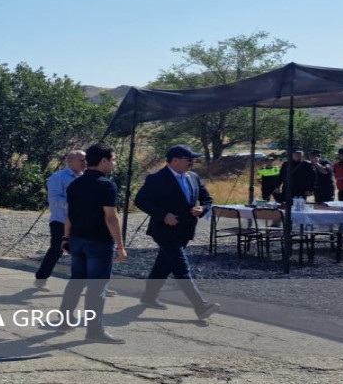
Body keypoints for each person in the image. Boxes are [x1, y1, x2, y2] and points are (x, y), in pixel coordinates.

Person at [133, 144, 220, 323]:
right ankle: (200, 306)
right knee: (181, 267)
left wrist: (202, 208)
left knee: (164, 264)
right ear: (175, 160)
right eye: (189, 160)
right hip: (164, 230)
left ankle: (148, 297)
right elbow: (141, 200)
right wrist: (163, 215)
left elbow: (207, 199)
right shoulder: (156, 178)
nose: (192, 163)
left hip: (185, 230)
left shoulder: (193, 177)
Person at [54, 143, 126, 343]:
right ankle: (94, 330)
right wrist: (120, 246)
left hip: (77, 240)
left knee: (76, 282)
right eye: (112, 159)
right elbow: (111, 218)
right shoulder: (107, 185)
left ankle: (64, 321)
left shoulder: (75, 184)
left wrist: (66, 238)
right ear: (103, 161)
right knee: (97, 288)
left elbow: (70, 214)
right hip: (99, 242)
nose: (114, 163)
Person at [33, 149, 86, 290]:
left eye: (85, 160)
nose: (85, 163)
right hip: (60, 220)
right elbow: (55, 199)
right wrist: (75, 203)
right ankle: (41, 278)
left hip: (79, 220)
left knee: (85, 250)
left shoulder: (84, 177)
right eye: (81, 160)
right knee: (57, 249)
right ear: (70, 162)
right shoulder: (57, 178)